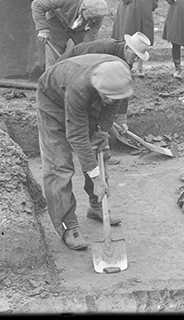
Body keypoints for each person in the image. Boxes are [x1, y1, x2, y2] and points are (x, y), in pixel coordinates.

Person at [36, 54, 133, 250]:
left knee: (99, 149)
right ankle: (67, 225)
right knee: (59, 165)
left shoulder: (120, 75)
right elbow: (77, 136)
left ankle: (97, 206)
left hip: (86, 96)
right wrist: (97, 179)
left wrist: (102, 132)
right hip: (52, 99)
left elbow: (111, 108)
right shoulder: (79, 87)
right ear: (98, 88)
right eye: (107, 97)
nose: (109, 101)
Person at [53, 32, 152, 167]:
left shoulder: (124, 64)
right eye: (135, 56)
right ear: (127, 48)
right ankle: (88, 159)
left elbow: (122, 90)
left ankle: (103, 155)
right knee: (88, 120)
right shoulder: (101, 48)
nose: (136, 60)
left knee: (103, 124)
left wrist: (121, 119)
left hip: (94, 85)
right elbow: (80, 68)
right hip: (69, 79)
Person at [31, 0, 109, 67]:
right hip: (57, 23)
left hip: (79, 30)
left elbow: (90, 37)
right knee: (53, 61)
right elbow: (37, 4)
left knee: (80, 57)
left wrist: (86, 54)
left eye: (96, 18)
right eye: (92, 16)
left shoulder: (98, 15)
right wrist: (43, 30)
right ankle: (51, 76)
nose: (94, 20)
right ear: (83, 9)